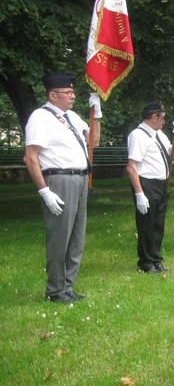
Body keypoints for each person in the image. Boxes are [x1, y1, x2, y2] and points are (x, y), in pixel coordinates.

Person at [23, 73, 101, 303]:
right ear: (53, 95)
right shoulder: (41, 117)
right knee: (60, 236)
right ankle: (55, 290)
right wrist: (44, 191)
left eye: (73, 92)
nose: (73, 96)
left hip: (79, 179)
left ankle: (68, 286)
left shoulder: (73, 117)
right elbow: (30, 157)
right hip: (59, 179)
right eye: (68, 93)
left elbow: (94, 142)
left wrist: (97, 115)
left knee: (77, 236)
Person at [126, 103, 174, 273]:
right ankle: (146, 262)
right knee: (146, 225)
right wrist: (139, 193)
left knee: (158, 225)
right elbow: (132, 167)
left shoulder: (158, 134)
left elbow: (172, 154)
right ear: (154, 117)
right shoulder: (138, 135)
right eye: (162, 118)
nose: (164, 121)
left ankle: (156, 260)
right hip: (146, 183)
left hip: (160, 184)